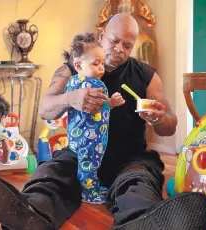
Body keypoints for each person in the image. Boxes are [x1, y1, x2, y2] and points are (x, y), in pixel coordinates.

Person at [0, 13, 206, 230]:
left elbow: (170, 125)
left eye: (127, 46)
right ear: (101, 35)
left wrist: (159, 117)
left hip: (128, 157)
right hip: (79, 153)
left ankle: (142, 220)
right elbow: (45, 110)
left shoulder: (146, 75)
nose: (119, 49)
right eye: (114, 41)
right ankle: (30, 214)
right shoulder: (73, 67)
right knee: (51, 174)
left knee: (139, 182)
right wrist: (71, 97)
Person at [63, 32, 125, 204]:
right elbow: (96, 106)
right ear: (78, 65)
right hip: (91, 139)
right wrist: (111, 102)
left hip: (75, 136)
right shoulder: (97, 85)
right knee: (90, 165)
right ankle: (89, 193)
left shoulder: (72, 82)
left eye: (102, 63)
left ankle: (93, 185)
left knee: (84, 164)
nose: (101, 68)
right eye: (96, 63)